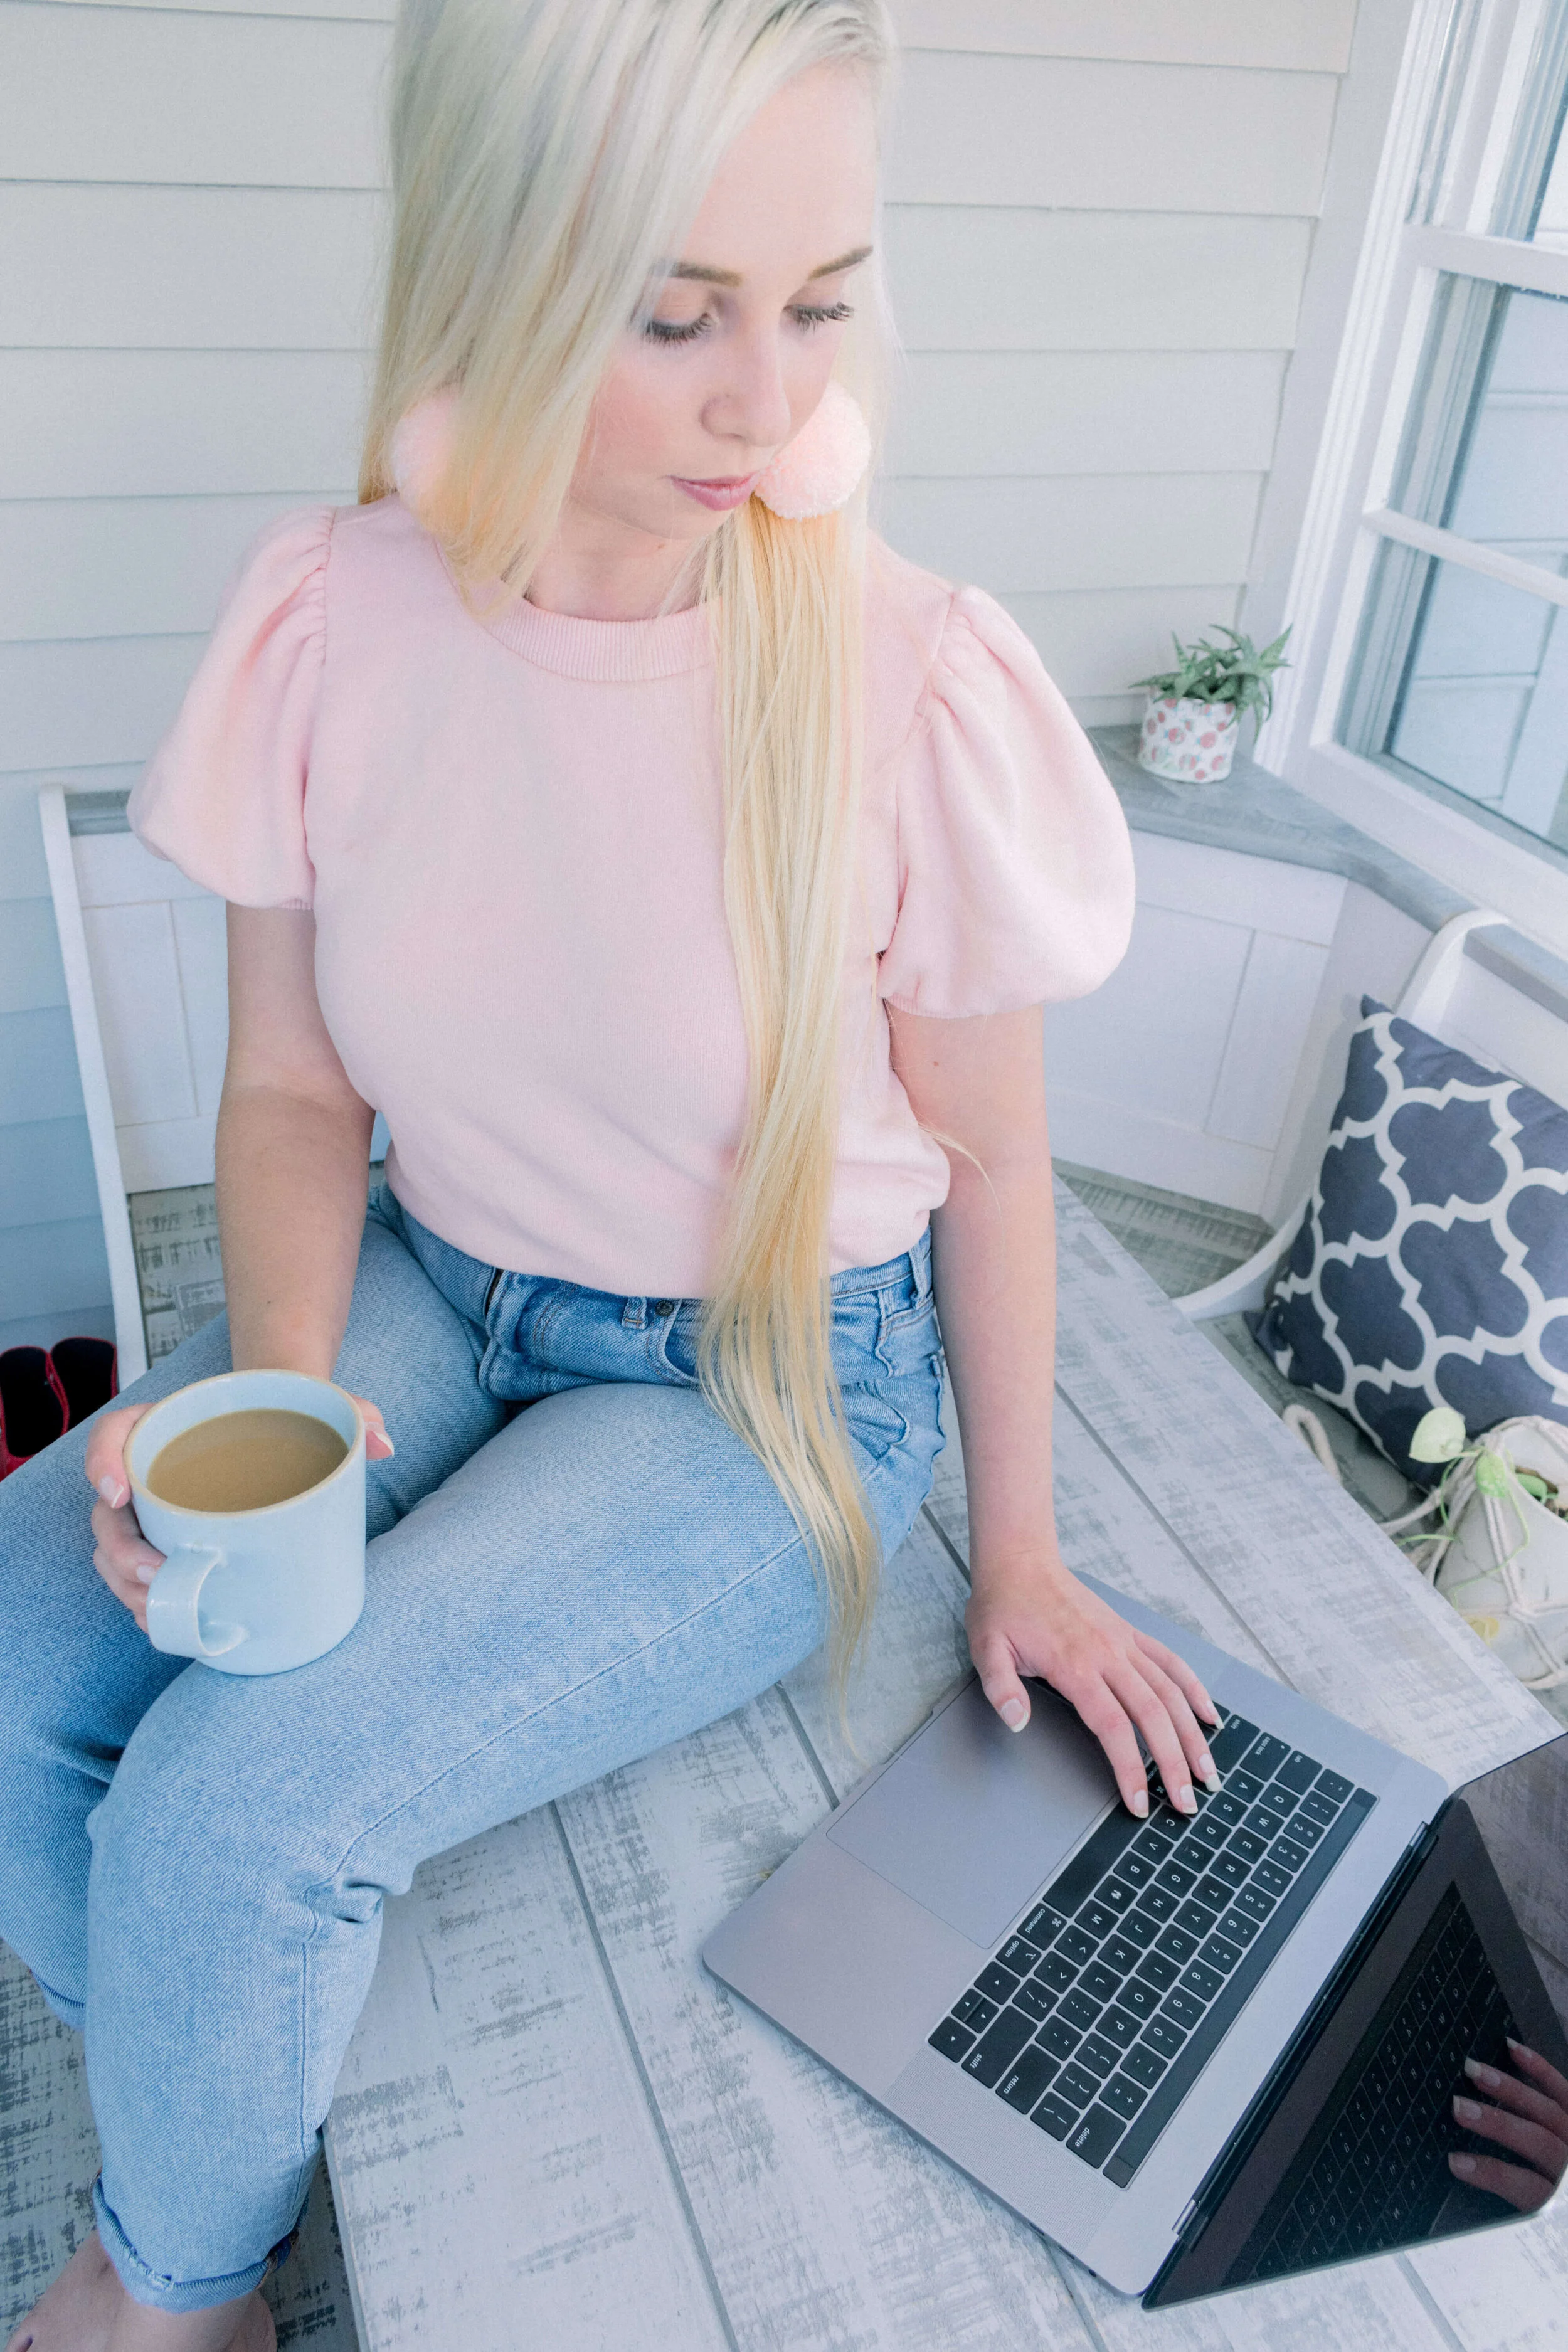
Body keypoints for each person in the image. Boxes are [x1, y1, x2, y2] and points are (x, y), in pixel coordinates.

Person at [0, 4, 1229, 2346]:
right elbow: (287, 1088)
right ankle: (212, 2115)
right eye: (674, 314)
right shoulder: (328, 616)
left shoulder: (909, 676)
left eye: (820, 299)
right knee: (14, 1655)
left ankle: (174, 2287)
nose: (763, 404)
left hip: (771, 1389)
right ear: (494, 275)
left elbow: (990, 1151)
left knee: (240, 1801)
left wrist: (1034, 1556)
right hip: (426, 1279)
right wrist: (280, 1405)